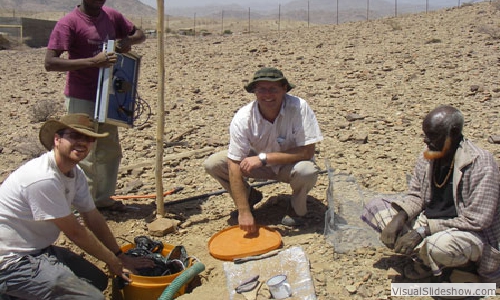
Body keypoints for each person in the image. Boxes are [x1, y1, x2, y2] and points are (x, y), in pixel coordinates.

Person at [0, 114, 154, 299]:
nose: (82, 142)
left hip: (38, 249)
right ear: (57, 140)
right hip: (11, 262)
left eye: (88, 138)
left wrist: (119, 255)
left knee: (98, 281)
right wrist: (113, 261)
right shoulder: (42, 178)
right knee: (94, 298)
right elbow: (75, 232)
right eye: (74, 136)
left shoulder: (75, 172)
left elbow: (92, 216)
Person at [361, 105, 500, 284]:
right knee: (376, 207)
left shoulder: (481, 163)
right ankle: (429, 260)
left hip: (468, 233)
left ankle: (464, 267)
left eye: (433, 135)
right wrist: (400, 217)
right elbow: (417, 195)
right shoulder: (428, 156)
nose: (426, 140)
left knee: (438, 246)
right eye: (425, 134)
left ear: (454, 132)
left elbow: (477, 220)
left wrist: (422, 231)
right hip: (430, 222)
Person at [44, 0, 146, 211]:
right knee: (82, 152)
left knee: (109, 150)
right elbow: (50, 62)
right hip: (82, 96)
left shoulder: (111, 16)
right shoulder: (69, 23)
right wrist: (92, 62)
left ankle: (103, 200)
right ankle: (82, 205)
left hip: (108, 96)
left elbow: (140, 35)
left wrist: (126, 41)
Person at [203, 67, 324, 233]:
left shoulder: (299, 108)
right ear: (254, 92)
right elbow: (234, 162)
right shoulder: (243, 117)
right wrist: (243, 211)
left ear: (284, 89)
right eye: (262, 89)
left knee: (307, 170)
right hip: (259, 165)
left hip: (288, 165)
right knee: (214, 163)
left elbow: (307, 152)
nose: (268, 95)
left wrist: (264, 158)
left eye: (273, 89)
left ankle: (297, 210)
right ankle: (248, 197)